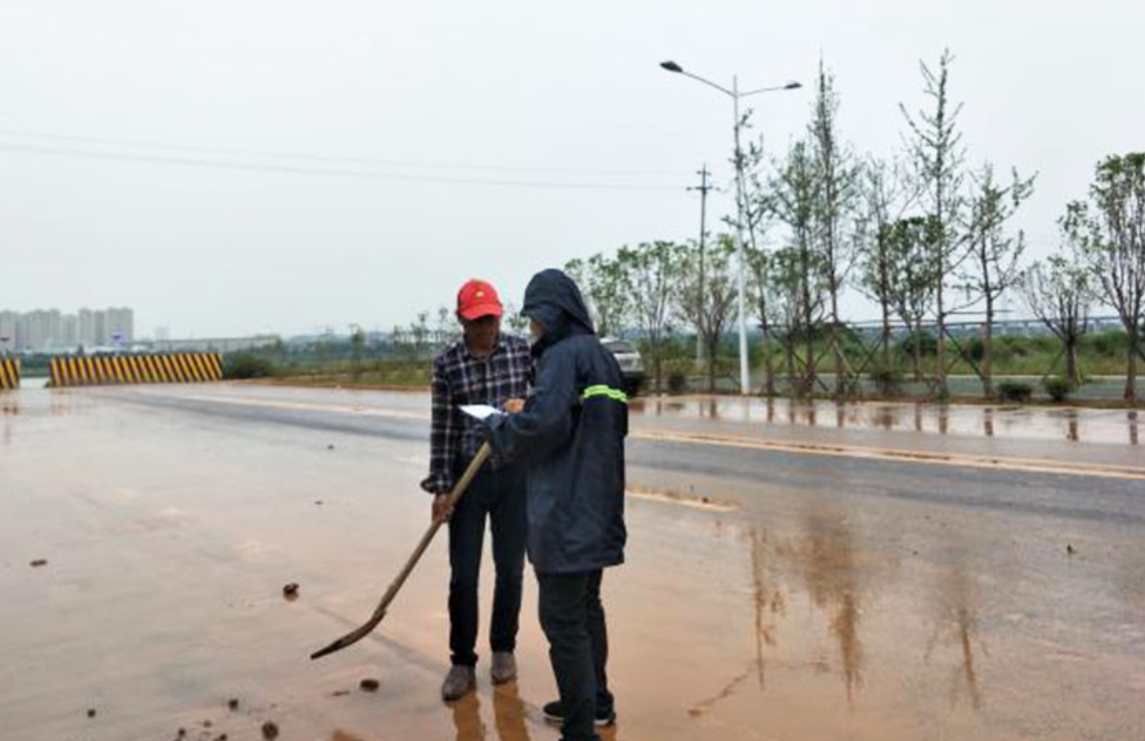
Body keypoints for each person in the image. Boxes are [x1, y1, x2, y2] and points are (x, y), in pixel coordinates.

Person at [484, 269, 627, 741]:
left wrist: (500, 424)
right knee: (588, 609)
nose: (533, 329)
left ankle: (579, 730)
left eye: (536, 319)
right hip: (599, 507)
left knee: (563, 622)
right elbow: (582, 420)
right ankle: (595, 703)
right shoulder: (602, 358)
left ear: (553, 315)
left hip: (565, 513)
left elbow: (542, 430)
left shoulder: (562, 357)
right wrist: (536, 410)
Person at [421, 279, 532, 701]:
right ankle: (462, 661)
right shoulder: (447, 364)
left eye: (491, 319)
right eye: (477, 321)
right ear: (462, 321)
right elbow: (443, 429)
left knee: (511, 571)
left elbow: (544, 403)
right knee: (463, 576)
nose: (485, 328)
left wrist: (527, 406)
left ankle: (504, 649)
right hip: (469, 476)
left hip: (513, 474)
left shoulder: (521, 352)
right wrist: (442, 488)